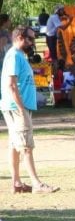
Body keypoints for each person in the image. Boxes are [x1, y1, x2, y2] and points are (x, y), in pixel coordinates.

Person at [1, 27, 59, 194]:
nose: (33, 43)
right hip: (17, 107)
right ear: (20, 37)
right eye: (31, 39)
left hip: (15, 106)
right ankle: (37, 184)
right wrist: (21, 108)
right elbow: (11, 85)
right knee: (26, 146)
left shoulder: (18, 56)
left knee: (14, 145)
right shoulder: (13, 56)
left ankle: (17, 183)